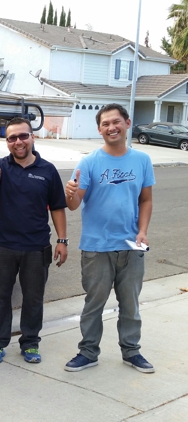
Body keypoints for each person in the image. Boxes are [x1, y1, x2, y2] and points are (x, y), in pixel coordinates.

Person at [64, 104, 156, 373]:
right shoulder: (89, 162)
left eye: (116, 122)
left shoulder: (142, 160)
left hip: (131, 246)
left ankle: (131, 352)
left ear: (127, 123)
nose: (111, 127)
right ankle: (88, 352)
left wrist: (142, 231)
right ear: (99, 129)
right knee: (94, 304)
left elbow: (146, 199)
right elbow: (73, 204)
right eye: (105, 124)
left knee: (131, 305)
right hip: (96, 247)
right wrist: (70, 192)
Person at [0, 117, 68, 365]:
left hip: (36, 247)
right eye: (12, 138)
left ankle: (30, 342)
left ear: (32, 137)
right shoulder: (0, 166)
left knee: (33, 298)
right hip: (2, 246)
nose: (18, 142)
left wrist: (63, 240)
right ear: (7, 141)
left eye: (23, 136)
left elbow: (58, 207)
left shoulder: (47, 170)